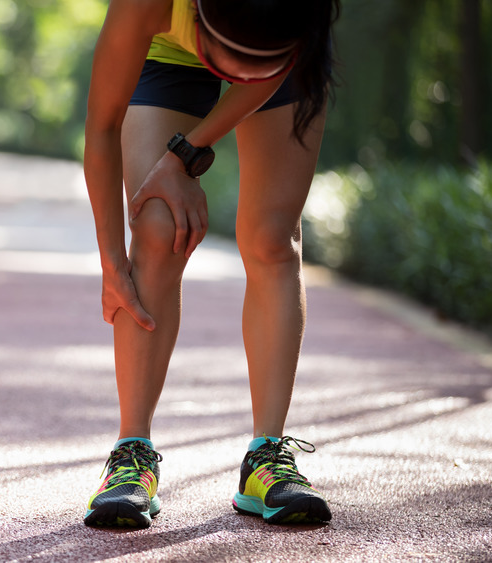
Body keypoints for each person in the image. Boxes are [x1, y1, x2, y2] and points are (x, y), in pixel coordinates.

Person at [82, 0, 340, 528]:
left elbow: (264, 71)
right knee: (157, 226)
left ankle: (266, 458)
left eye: (247, 66)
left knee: (271, 240)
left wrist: (186, 154)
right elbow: (102, 125)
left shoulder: (299, 18)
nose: (233, 76)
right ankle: (132, 455)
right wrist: (112, 264)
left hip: (283, 47)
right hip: (168, 54)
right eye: (228, 61)